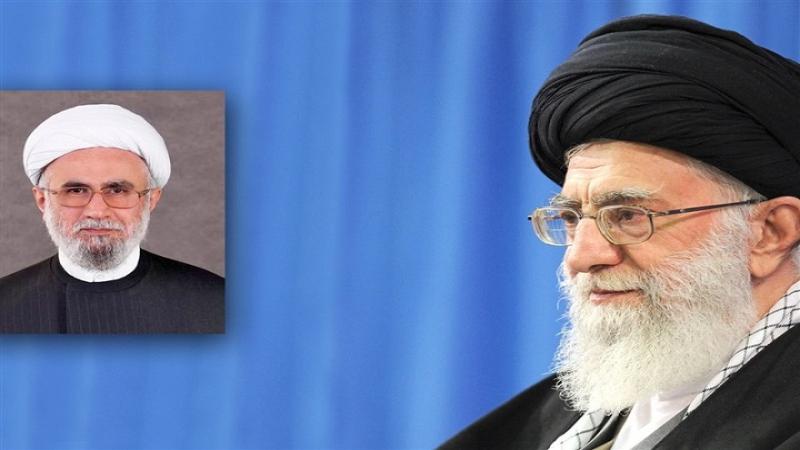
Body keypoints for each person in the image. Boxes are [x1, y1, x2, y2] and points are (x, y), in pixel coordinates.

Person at [441, 15, 800, 450]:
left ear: (770, 232)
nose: (580, 257)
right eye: (571, 218)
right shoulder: (534, 426)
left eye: (627, 215)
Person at [0, 104, 225, 333]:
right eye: (76, 190)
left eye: (117, 190)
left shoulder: (217, 302)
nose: (97, 212)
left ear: (151, 199)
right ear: (42, 200)